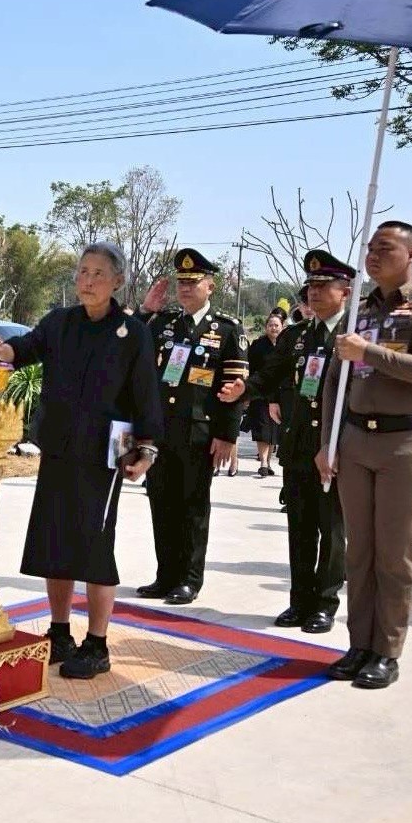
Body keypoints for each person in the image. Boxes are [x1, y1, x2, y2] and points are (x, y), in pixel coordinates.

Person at [0, 242, 162, 680]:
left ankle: (96, 644)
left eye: (99, 273)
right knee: (53, 541)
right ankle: (59, 634)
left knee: (95, 546)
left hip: (107, 453)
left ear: (117, 281)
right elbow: (26, 347)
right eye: (82, 271)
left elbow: (146, 397)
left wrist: (147, 450)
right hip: (59, 448)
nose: (88, 280)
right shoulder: (60, 323)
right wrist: (4, 350)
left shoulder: (132, 333)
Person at [316, 221, 412, 689]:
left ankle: (387, 650)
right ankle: (359, 644)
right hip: (356, 441)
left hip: (407, 444)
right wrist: (327, 445)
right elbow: (336, 380)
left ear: (411, 255)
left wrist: (370, 352)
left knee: (394, 554)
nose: (373, 256)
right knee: (360, 552)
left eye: (385, 248)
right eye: (370, 248)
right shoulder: (360, 308)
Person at [220, 250, 354, 633]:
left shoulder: (356, 337)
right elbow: (269, 373)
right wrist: (245, 389)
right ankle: (300, 600)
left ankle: (325, 603)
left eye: (322, 286)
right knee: (300, 527)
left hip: (335, 448)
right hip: (297, 446)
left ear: (344, 291)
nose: (313, 292)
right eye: (310, 286)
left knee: (332, 530)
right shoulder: (297, 336)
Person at [135, 248, 248, 605]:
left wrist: (227, 435)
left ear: (210, 286)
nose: (185, 288)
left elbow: (234, 389)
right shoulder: (164, 322)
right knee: (161, 502)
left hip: (200, 433)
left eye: (193, 282)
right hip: (162, 430)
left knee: (193, 507)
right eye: (181, 282)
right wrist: (145, 310)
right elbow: (129, 343)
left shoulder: (227, 329)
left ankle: (189, 578)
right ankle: (165, 574)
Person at [248, 313, 283, 477]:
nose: (273, 328)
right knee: (262, 428)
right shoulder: (258, 345)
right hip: (260, 392)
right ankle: (262, 462)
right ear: (266, 327)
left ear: (282, 327)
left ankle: (268, 461)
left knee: (273, 429)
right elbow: (251, 368)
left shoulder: (286, 344)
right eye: (271, 325)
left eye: (277, 325)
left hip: (279, 393)